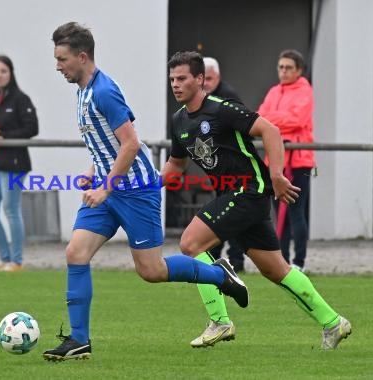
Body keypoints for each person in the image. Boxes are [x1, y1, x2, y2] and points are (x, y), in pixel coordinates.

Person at [43, 22, 248, 362]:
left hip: (137, 191)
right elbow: (105, 144)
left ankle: (219, 274)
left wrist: (105, 188)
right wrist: (92, 173)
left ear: (82, 56)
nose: (57, 66)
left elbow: (131, 143)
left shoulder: (104, 91)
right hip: (108, 190)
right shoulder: (82, 91)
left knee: (151, 271)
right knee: (75, 253)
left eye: (62, 59)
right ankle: (79, 340)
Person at [164, 51, 350, 350]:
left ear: (200, 80)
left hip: (248, 190)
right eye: (172, 79)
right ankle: (333, 322)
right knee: (275, 269)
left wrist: (276, 174)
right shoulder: (179, 120)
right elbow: (175, 166)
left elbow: (270, 130)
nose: (175, 84)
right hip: (233, 195)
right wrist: (142, 186)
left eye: (182, 78)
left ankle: (220, 322)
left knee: (190, 243)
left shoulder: (222, 109)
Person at [257, 49, 315, 272]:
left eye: (288, 67)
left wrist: (271, 122)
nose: (283, 71)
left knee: (295, 212)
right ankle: (283, 260)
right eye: (280, 67)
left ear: (299, 70)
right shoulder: (273, 92)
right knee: (276, 210)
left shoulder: (305, 91)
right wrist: (275, 122)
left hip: (300, 161)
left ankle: (299, 262)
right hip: (276, 161)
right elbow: (260, 117)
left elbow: (297, 119)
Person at [0, 55, 39, 272]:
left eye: (3, 71)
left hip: (14, 162)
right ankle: (4, 257)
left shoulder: (21, 99)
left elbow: (32, 128)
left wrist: (5, 135)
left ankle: (16, 261)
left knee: (11, 208)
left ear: (11, 73)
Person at [202, 56, 246, 273]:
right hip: (220, 168)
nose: (206, 83)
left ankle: (233, 259)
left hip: (235, 168)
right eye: (203, 79)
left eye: (209, 78)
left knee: (228, 214)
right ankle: (219, 257)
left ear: (217, 77)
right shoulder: (204, 99)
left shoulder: (228, 98)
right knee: (223, 212)